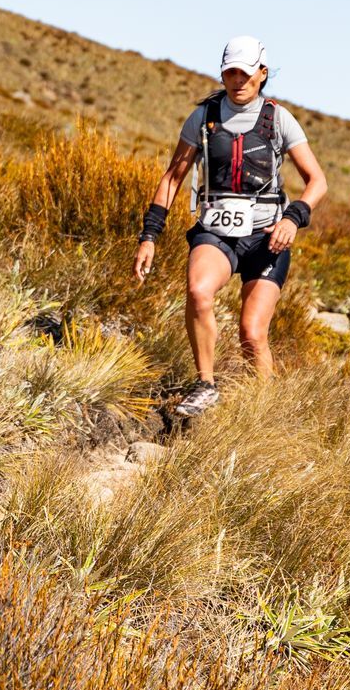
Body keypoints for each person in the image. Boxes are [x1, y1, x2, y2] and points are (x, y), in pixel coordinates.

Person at [130, 36, 327, 420]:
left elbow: (317, 180)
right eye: (229, 72)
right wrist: (149, 235)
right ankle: (205, 385)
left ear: (262, 73)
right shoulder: (203, 117)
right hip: (216, 231)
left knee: (252, 334)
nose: (237, 80)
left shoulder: (278, 119)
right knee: (198, 291)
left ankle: (269, 414)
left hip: (267, 238)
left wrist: (293, 217)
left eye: (245, 72)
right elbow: (173, 177)